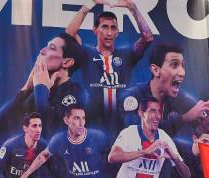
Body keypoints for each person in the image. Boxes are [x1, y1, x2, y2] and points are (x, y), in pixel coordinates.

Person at [120, 42, 209, 143]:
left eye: (182, 66)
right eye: (174, 65)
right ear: (156, 70)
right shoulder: (131, 97)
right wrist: (184, 118)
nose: (182, 72)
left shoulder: (183, 99)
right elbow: (137, 135)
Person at [65, 1, 154, 129]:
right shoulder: (86, 53)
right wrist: (91, 3)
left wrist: (132, 7)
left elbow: (148, 37)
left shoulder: (127, 54)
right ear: (95, 30)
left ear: (117, 32)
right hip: (91, 127)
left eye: (113, 28)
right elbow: (69, 34)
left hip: (123, 128)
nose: (109, 33)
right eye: (105, 27)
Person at [0, 32, 86, 136]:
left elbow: (49, 132)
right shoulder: (38, 90)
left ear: (67, 62)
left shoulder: (77, 93)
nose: (42, 51)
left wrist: (41, 90)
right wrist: (27, 87)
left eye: (51, 48)